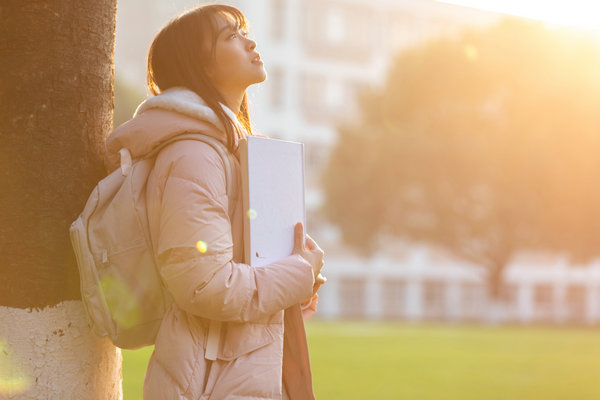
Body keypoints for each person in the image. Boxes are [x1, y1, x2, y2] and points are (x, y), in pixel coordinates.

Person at [104, 4, 325, 400]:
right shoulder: (194, 155)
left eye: (243, 31)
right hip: (208, 385)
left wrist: (298, 280)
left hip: (236, 374)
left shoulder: (226, 151)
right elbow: (205, 285)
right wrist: (297, 274)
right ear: (199, 65)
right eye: (231, 36)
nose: (250, 41)